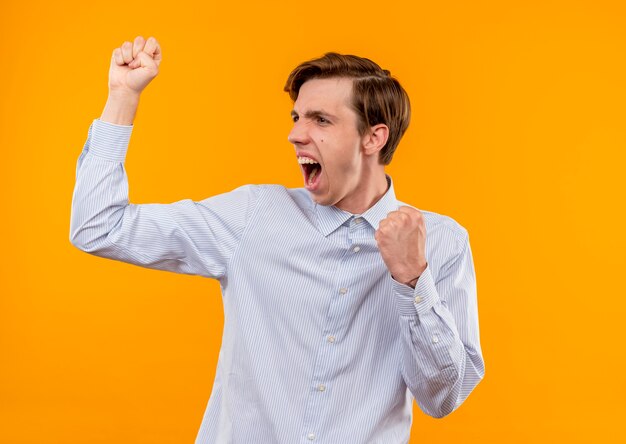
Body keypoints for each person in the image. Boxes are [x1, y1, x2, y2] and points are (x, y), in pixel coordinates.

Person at [70, 36, 485, 444]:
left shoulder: (441, 243)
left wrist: (413, 279)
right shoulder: (253, 215)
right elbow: (98, 228)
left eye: (320, 120)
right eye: (296, 117)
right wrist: (122, 96)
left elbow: (442, 397)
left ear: (373, 138)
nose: (296, 135)